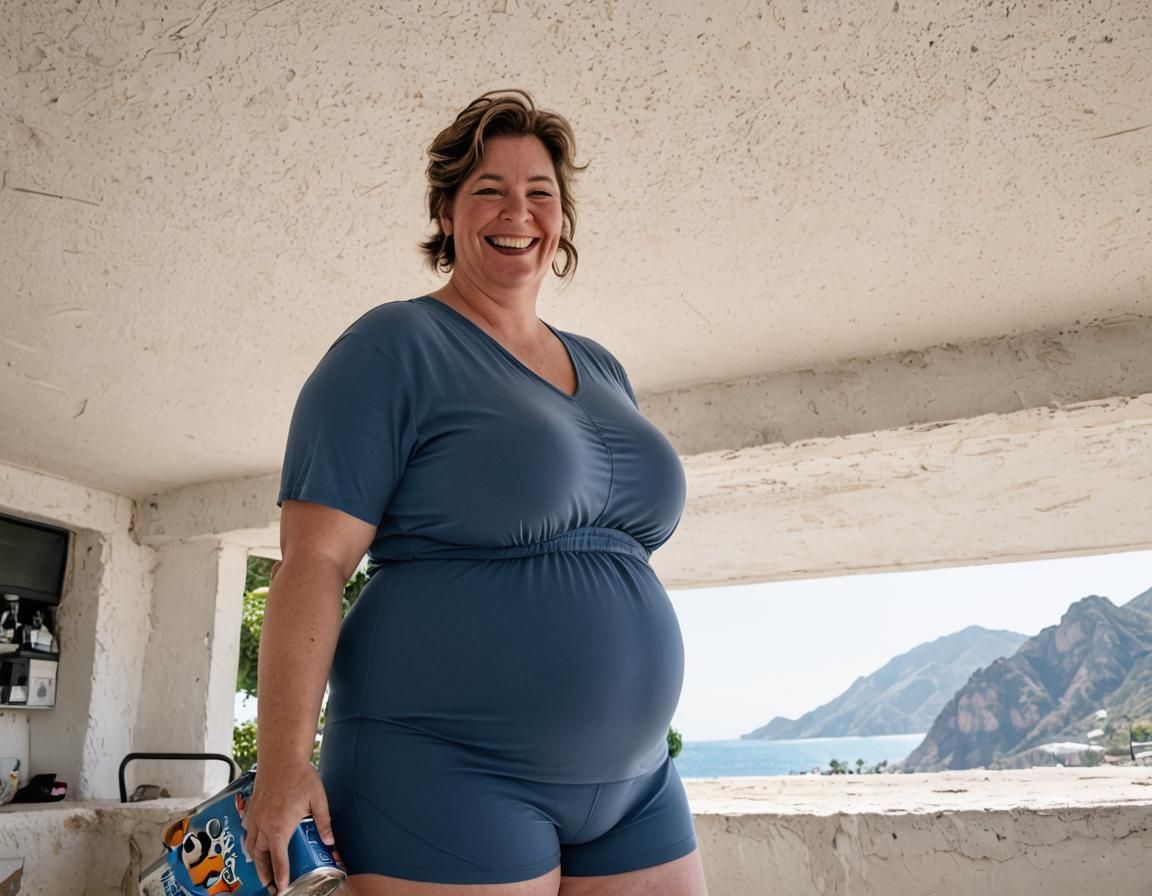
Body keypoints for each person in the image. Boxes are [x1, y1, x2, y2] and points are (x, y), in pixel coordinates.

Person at [243, 89, 708, 896]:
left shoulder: (602, 367)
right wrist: (283, 760)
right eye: (489, 188)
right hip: (444, 773)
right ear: (447, 210)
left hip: (637, 783)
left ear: (561, 219)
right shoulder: (392, 346)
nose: (516, 211)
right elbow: (312, 564)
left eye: (540, 193)